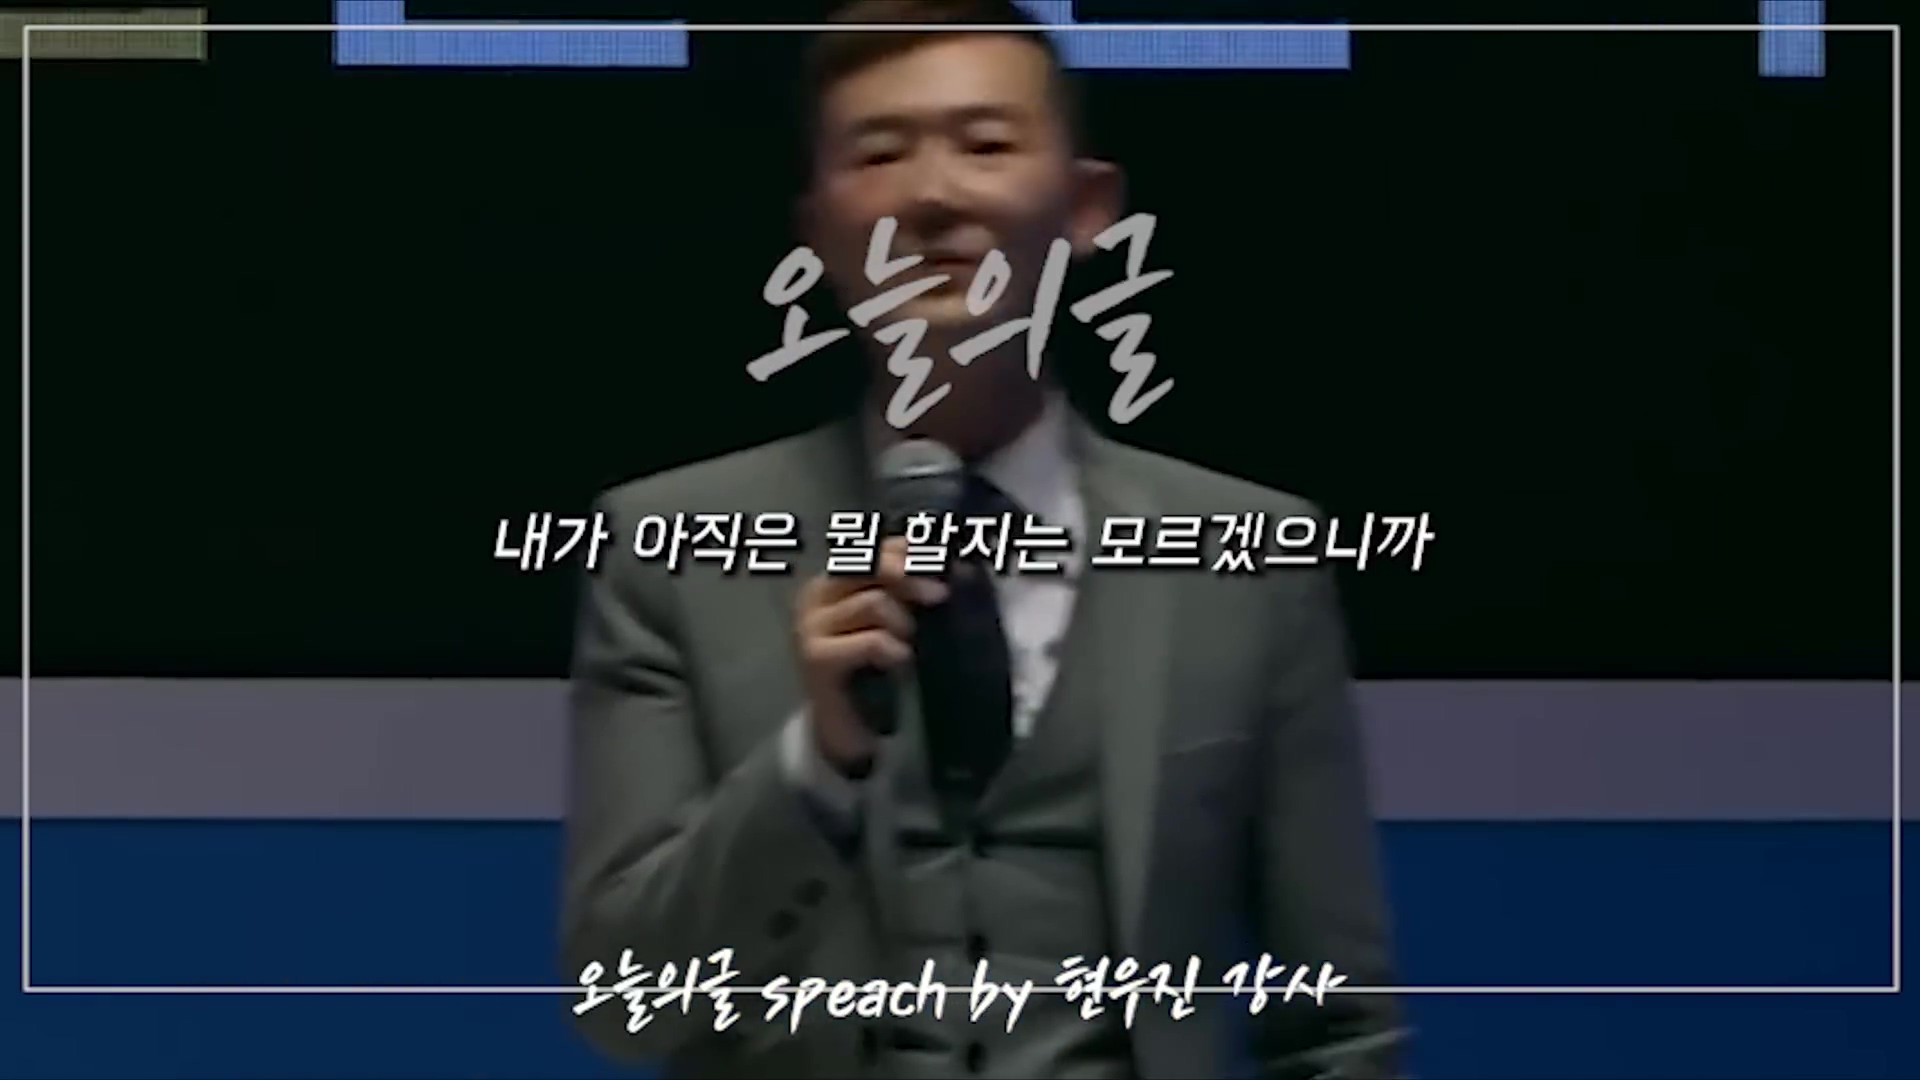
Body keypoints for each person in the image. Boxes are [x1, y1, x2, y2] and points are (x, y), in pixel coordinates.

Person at [559, 2, 1405, 1076]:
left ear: (1087, 208)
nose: (933, 196)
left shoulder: (1248, 556)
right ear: (817, 232)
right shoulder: (670, 548)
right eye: (880, 154)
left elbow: (1338, 1024)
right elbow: (623, 1001)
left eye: (987, 145)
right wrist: (815, 765)